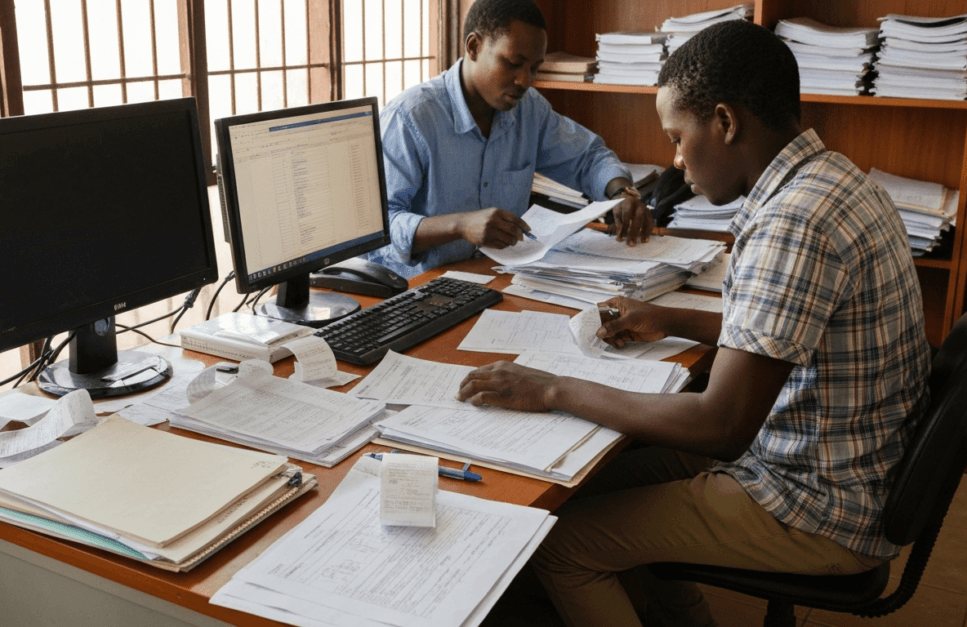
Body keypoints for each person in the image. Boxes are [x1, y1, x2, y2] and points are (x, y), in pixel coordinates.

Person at [457, 19, 932, 627]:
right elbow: (788, 325)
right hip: (837, 464)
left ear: (725, 122)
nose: (676, 160)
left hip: (815, 502)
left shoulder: (793, 221)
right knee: (604, 480)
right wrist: (668, 317)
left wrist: (552, 389)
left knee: (561, 546)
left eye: (678, 137)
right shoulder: (833, 179)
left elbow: (721, 426)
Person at [364, 0, 652, 279]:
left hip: (499, 278)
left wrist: (620, 193)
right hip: (417, 288)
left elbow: (588, 157)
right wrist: (459, 225)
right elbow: (378, 230)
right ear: (474, 47)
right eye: (514, 63)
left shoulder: (529, 109)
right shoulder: (411, 117)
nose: (525, 81)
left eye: (535, 68)